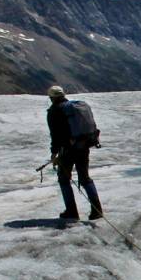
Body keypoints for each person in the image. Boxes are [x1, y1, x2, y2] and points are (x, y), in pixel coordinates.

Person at [46, 85, 103, 221]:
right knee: (85, 178)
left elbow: (55, 135)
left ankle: (71, 211)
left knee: (64, 179)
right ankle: (97, 210)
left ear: (51, 98)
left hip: (67, 150)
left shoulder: (55, 111)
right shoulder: (74, 108)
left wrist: (54, 153)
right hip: (83, 146)